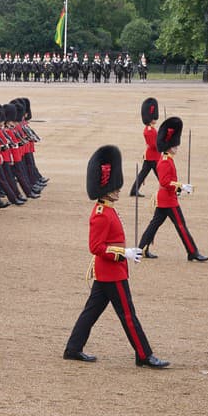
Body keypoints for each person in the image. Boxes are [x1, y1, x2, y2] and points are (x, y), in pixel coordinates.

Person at [64, 145, 170, 368]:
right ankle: (143, 354)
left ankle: (73, 348)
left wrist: (128, 252)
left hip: (110, 272)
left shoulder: (108, 208)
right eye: (115, 187)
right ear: (106, 189)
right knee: (128, 315)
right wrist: (124, 253)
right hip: (111, 272)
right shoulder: (101, 214)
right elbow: (96, 247)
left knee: (91, 312)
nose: (119, 190)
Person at [137, 117, 208, 262]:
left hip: (166, 198)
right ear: (169, 146)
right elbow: (164, 181)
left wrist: (180, 188)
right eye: (175, 145)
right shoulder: (164, 161)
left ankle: (141, 249)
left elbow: (169, 181)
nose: (177, 147)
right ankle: (192, 252)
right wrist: (180, 185)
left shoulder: (167, 159)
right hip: (168, 200)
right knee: (181, 226)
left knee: (154, 225)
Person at [129, 98, 159, 199]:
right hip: (152, 157)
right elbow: (153, 145)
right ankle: (169, 190)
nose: (155, 119)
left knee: (143, 174)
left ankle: (134, 190)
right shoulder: (149, 130)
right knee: (161, 175)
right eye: (154, 117)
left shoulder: (151, 129)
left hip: (152, 156)